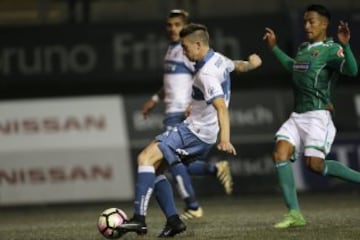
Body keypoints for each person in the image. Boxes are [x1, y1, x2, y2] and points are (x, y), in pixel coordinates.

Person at [120, 23, 262, 237]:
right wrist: (252, 63)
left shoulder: (206, 74)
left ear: (197, 45)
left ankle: (139, 219)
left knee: (144, 158)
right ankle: (174, 221)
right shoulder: (218, 59)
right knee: (156, 169)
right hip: (202, 133)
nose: (183, 52)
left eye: (185, 48)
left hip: (194, 132)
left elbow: (221, 107)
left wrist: (225, 139)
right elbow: (237, 66)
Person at [263, 4, 358, 229]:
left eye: (311, 21)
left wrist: (346, 45)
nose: (306, 25)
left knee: (315, 165)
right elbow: (293, 67)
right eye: (305, 21)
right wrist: (274, 48)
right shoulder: (304, 47)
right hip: (297, 116)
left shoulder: (332, 48)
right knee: (279, 153)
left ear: (324, 24)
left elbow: (352, 71)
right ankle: (294, 213)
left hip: (318, 115)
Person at [142, 9, 233, 221]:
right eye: (170, 25)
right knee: (176, 162)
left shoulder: (188, 52)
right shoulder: (173, 50)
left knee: (167, 160)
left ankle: (192, 205)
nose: (173, 29)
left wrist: (193, 104)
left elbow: (203, 77)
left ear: (186, 27)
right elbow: (170, 83)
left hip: (181, 112)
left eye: (177, 25)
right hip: (171, 111)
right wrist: (155, 100)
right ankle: (214, 169)